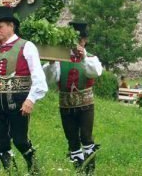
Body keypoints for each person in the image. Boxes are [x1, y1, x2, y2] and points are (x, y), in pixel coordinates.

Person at [0, 6, 47, 174]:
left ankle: (34, 168)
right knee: (1, 143)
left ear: (11, 26)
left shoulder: (26, 46)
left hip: (18, 101)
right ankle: (10, 173)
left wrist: (31, 99)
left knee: (20, 140)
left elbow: (38, 76)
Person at [43, 22, 103, 173]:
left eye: (80, 41)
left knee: (86, 137)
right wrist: (50, 63)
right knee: (72, 139)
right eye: (74, 41)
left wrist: (83, 58)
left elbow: (95, 72)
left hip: (86, 104)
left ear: (85, 41)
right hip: (65, 104)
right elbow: (50, 80)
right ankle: (79, 170)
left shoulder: (91, 58)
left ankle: (90, 171)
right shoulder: (59, 59)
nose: (77, 44)